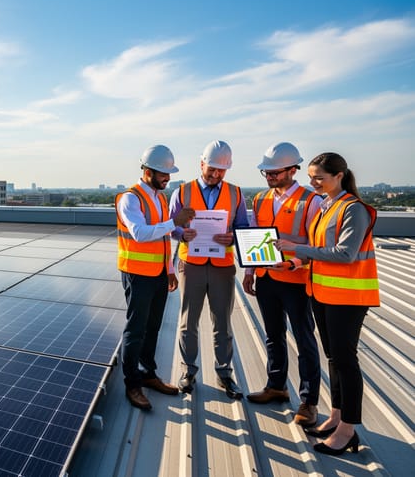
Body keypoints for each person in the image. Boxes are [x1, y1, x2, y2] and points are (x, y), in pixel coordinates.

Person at [274, 152, 379, 457]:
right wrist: (294, 262)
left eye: (319, 177)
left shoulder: (354, 210)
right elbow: (320, 251)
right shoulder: (327, 207)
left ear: (340, 176)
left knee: (346, 361)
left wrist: (297, 247)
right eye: (311, 177)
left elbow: (344, 253)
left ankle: (348, 430)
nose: (314, 183)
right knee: (333, 358)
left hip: (348, 298)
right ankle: (336, 416)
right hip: (324, 295)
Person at [242, 142, 322, 427]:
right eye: (267, 173)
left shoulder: (311, 201)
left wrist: (294, 263)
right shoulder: (261, 199)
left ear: (293, 169)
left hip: (296, 282)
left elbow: (317, 246)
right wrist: (251, 271)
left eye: (275, 172)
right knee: (273, 335)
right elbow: (256, 237)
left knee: (304, 340)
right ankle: (276, 386)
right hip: (266, 279)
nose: (270, 177)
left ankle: (309, 401)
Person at [116, 145, 195, 410]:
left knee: (152, 328)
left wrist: (169, 271)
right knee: (135, 330)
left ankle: (148, 374)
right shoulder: (130, 198)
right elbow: (140, 233)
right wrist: (176, 222)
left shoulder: (159, 198)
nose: (167, 179)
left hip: (159, 274)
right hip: (137, 275)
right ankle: (132, 384)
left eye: (169, 174)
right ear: (148, 171)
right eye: (163, 174)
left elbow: (161, 239)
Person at [170, 140, 249, 399]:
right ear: (201, 163)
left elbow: (243, 228)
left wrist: (232, 237)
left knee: (223, 323)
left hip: (222, 267)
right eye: (211, 169)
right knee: (187, 322)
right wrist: (183, 234)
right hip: (190, 265)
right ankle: (188, 370)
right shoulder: (181, 192)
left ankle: (224, 372)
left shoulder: (236, 193)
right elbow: (171, 226)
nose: (215, 175)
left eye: (221, 171)